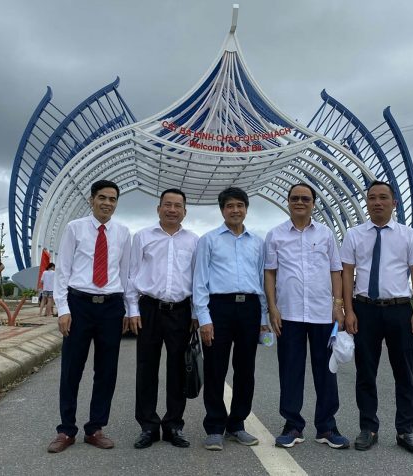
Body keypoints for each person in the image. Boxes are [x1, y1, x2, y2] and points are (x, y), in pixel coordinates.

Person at [341, 180, 413, 456]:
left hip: (399, 310)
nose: (377, 202)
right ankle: (368, 428)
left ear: (394, 203)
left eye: (383, 197)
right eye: (372, 198)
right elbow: (347, 273)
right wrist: (348, 310)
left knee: (404, 372)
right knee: (366, 372)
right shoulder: (354, 235)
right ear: (366, 202)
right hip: (364, 309)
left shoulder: (408, 235)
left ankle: (405, 430)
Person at [47, 180, 131, 454]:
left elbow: (126, 273)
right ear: (92, 199)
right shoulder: (75, 228)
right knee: (72, 369)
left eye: (113, 199)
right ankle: (66, 430)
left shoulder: (123, 232)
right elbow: (63, 270)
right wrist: (63, 309)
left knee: (106, 371)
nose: (107, 203)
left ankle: (95, 428)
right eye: (102, 198)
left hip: (111, 306)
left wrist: (128, 309)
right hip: (79, 304)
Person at [264, 183, 349, 449]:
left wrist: (338, 305)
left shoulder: (325, 234)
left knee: (326, 371)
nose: (300, 202)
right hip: (288, 314)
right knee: (290, 371)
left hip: (322, 313)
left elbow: (335, 270)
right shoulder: (275, 235)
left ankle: (327, 427)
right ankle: (292, 426)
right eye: (295, 198)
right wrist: (272, 307)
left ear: (313, 203)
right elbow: (270, 273)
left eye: (305, 198)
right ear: (288, 201)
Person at [193, 186, 269, 451]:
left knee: (246, 370)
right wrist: (204, 318)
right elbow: (199, 281)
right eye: (230, 206)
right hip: (219, 308)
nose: (235, 210)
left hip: (249, 308)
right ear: (222, 210)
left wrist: (263, 317)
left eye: (240, 205)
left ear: (246, 209)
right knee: (215, 368)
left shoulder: (257, 242)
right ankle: (215, 427)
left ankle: (237, 424)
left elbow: (261, 280)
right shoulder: (209, 240)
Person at [127, 189, 198, 450]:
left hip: (181, 310)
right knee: (146, 368)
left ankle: (173, 425)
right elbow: (131, 275)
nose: (172, 210)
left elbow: (197, 279)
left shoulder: (194, 241)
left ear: (185, 212)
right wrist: (132, 310)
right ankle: (148, 426)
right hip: (149, 308)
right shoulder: (142, 236)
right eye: (167, 204)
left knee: (179, 369)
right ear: (158, 209)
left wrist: (195, 314)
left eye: (178, 206)